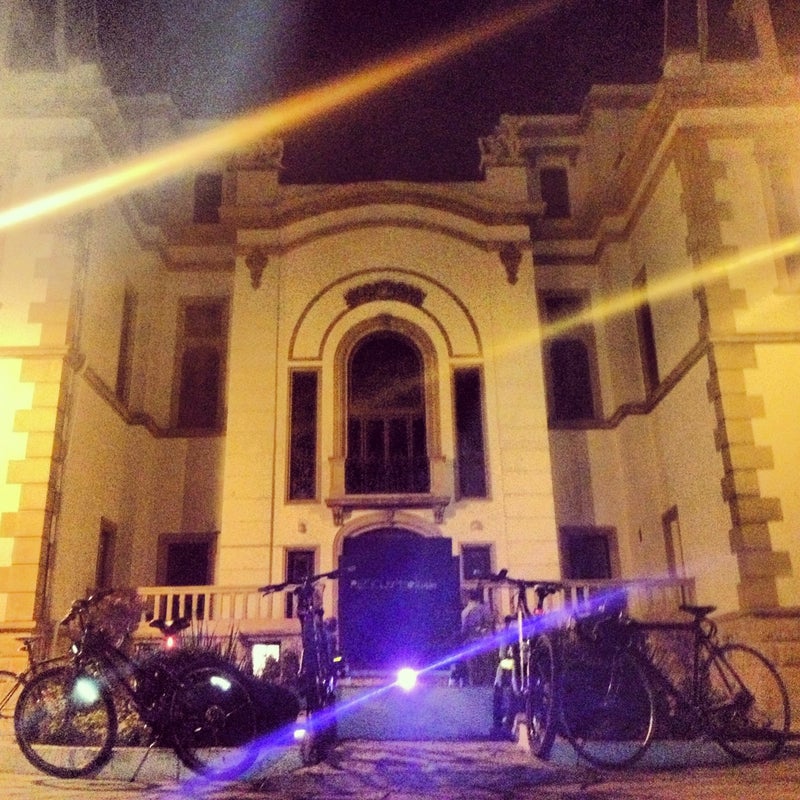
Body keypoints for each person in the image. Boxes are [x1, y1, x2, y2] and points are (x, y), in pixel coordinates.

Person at [457, 588, 496, 686]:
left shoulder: (465, 611)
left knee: (472, 667)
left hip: (471, 642)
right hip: (485, 642)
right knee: (486, 666)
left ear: (468, 598)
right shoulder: (485, 609)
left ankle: (474, 686)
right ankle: (487, 685)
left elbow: (464, 629)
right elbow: (490, 624)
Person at [492, 615, 521, 738]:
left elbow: (502, 656)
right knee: (506, 701)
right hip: (509, 676)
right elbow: (503, 658)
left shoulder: (508, 636)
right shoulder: (512, 636)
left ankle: (503, 726)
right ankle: (500, 726)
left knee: (508, 702)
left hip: (512, 676)